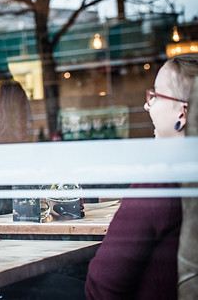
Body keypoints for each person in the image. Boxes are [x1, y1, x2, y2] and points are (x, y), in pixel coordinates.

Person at [85, 53, 198, 299]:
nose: (147, 104)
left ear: (182, 112)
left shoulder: (162, 181)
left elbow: (101, 286)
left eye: (156, 96)